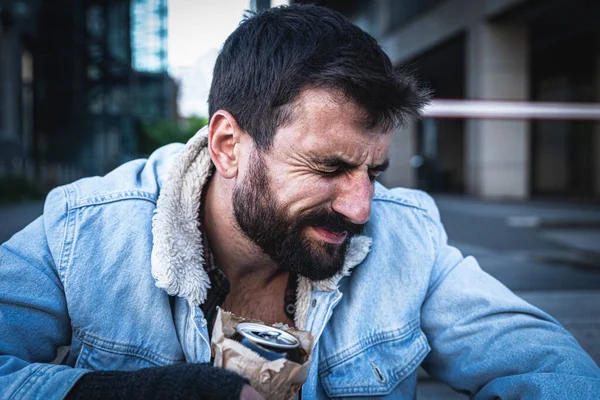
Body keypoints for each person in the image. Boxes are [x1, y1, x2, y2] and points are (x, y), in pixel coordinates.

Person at [1, 4, 599, 399]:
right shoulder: (86, 231)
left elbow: (548, 365)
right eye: (330, 167)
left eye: (373, 170)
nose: (362, 207)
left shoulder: (408, 237)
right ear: (229, 145)